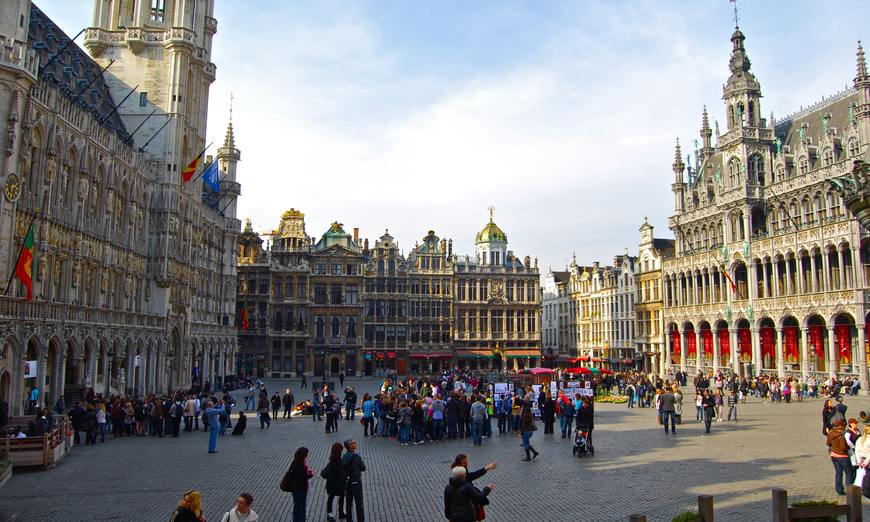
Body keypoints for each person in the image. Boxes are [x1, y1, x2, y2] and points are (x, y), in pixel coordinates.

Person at [284, 446, 314, 522]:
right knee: (302, 508)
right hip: (301, 489)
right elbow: (302, 478)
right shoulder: (302, 465)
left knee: (296, 507)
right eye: (306, 454)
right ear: (303, 455)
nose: (307, 456)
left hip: (294, 488)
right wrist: (310, 474)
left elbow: (294, 474)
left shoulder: (294, 462)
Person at [828, 418, 856, 495]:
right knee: (849, 473)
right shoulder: (841, 436)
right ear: (841, 426)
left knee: (838, 472)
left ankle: (839, 490)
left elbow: (828, 443)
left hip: (834, 455)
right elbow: (843, 447)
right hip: (843, 456)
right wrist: (848, 448)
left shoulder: (831, 433)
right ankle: (850, 491)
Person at [320, 442, 346, 521]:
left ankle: (330, 514)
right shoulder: (341, 462)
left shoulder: (331, 461)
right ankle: (341, 512)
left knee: (331, 498)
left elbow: (323, 473)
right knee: (341, 497)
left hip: (331, 484)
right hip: (340, 484)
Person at [342, 439, 366, 522]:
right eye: (353, 443)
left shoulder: (344, 457)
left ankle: (349, 519)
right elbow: (363, 468)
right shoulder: (357, 457)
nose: (355, 444)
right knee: (359, 504)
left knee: (348, 503)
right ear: (350, 446)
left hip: (348, 482)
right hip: (356, 482)